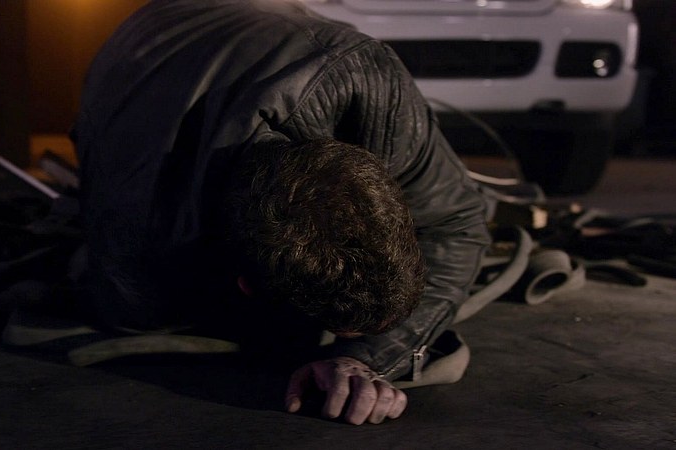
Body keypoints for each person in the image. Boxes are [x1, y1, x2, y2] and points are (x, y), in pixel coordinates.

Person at [71, 0, 490, 425]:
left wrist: (365, 357)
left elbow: (459, 223)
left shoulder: (366, 79)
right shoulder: (144, 241)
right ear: (247, 286)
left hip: (272, 29)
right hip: (152, 31)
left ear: (383, 181)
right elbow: (136, 306)